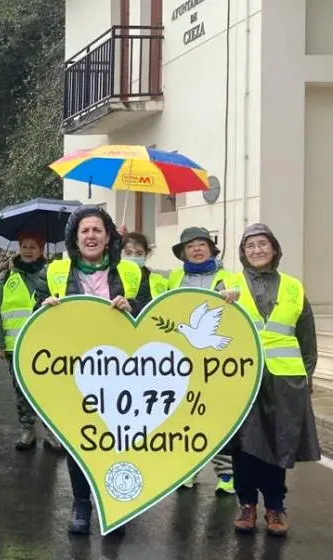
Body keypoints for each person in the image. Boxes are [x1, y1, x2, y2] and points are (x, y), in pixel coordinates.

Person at [35, 205, 151, 537]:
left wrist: (133, 309)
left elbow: (149, 316)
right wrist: (45, 310)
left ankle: (114, 503)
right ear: (74, 237)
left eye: (97, 230)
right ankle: (81, 504)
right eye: (84, 230)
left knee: (116, 440)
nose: (90, 236)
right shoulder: (55, 273)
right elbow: (35, 321)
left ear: (108, 236)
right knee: (79, 438)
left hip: (120, 372)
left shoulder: (130, 273)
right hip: (72, 371)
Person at [220, 223, 319, 537]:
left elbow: (307, 337)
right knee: (243, 446)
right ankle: (247, 505)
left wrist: (307, 375)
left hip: (284, 381)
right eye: (250, 246)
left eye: (263, 244)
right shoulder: (227, 283)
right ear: (242, 252)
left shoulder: (293, 286)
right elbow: (212, 328)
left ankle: (275, 508)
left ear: (274, 249)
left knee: (279, 444)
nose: (257, 250)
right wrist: (221, 301)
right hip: (242, 378)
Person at [160, 227, 235, 493]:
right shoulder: (173, 278)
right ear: (182, 253)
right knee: (185, 416)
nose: (196, 249)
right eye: (190, 246)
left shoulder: (228, 278)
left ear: (211, 249)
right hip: (181, 360)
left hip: (216, 363)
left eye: (201, 244)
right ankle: (187, 470)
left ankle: (226, 474)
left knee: (217, 416)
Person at [0, 232, 60, 451]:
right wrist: (0, 342)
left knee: (47, 389)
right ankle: (27, 430)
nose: (28, 251)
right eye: (24, 247)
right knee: (21, 390)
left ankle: (51, 432)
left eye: (33, 247)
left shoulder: (50, 274)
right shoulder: (7, 276)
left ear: (41, 250)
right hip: (15, 346)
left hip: (44, 345)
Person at [121, 232, 169, 298]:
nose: (133, 257)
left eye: (139, 253)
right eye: (128, 253)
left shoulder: (156, 280)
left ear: (146, 255)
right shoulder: (112, 277)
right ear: (120, 253)